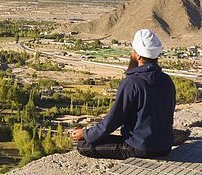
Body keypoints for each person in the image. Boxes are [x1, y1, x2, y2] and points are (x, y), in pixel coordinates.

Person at [72, 29, 176, 159]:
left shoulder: (132, 82)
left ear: (137, 55)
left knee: (83, 145)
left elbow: (113, 120)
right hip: (165, 147)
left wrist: (87, 134)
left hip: (139, 148)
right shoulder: (166, 80)